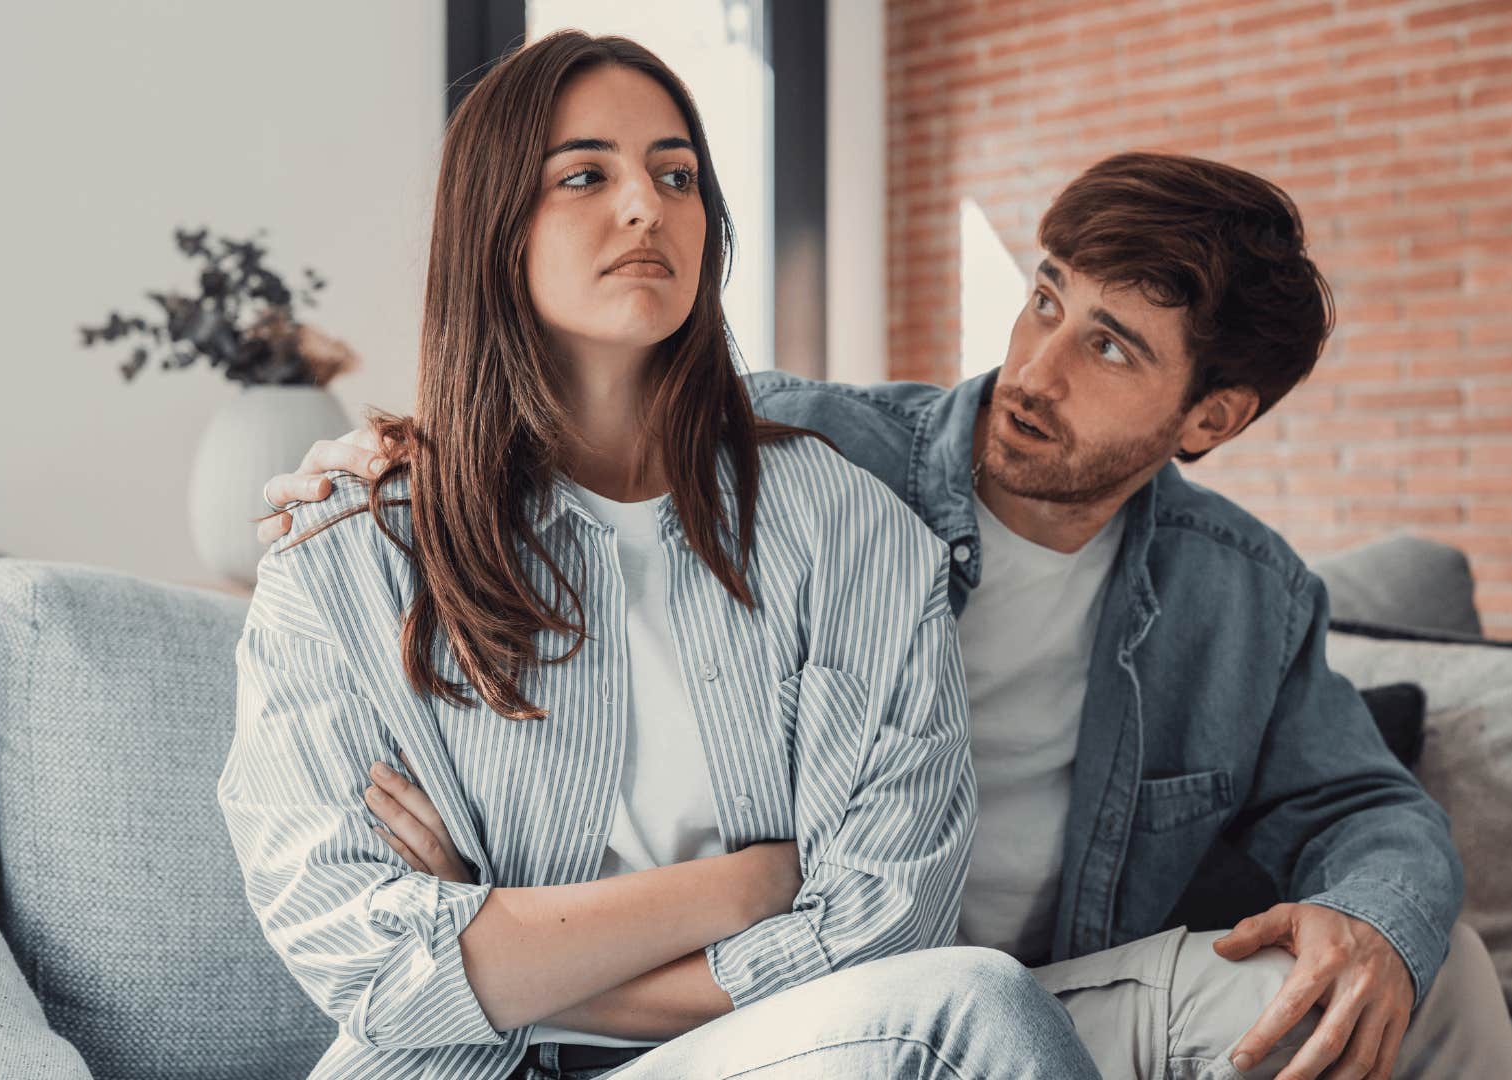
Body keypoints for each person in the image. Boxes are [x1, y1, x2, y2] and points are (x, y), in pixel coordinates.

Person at [262, 151, 1512, 1079]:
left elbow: (1366, 807)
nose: (1035, 370)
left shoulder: (1238, 593)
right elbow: (566, 445)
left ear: (1211, 420)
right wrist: (393, 464)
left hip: (1042, 993)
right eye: (1046, 299)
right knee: (959, 1006)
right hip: (770, 998)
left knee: (1432, 972)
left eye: (1113, 348)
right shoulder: (801, 449)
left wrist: (1374, 923)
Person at [219, 30, 1101, 1080]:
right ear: (493, 230)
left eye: (676, 175)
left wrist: (506, 946)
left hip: (773, 1061)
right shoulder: (351, 548)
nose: (646, 205)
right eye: (585, 174)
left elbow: (886, 928)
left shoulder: (849, 531)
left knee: (974, 1008)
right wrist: (749, 886)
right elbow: (361, 960)